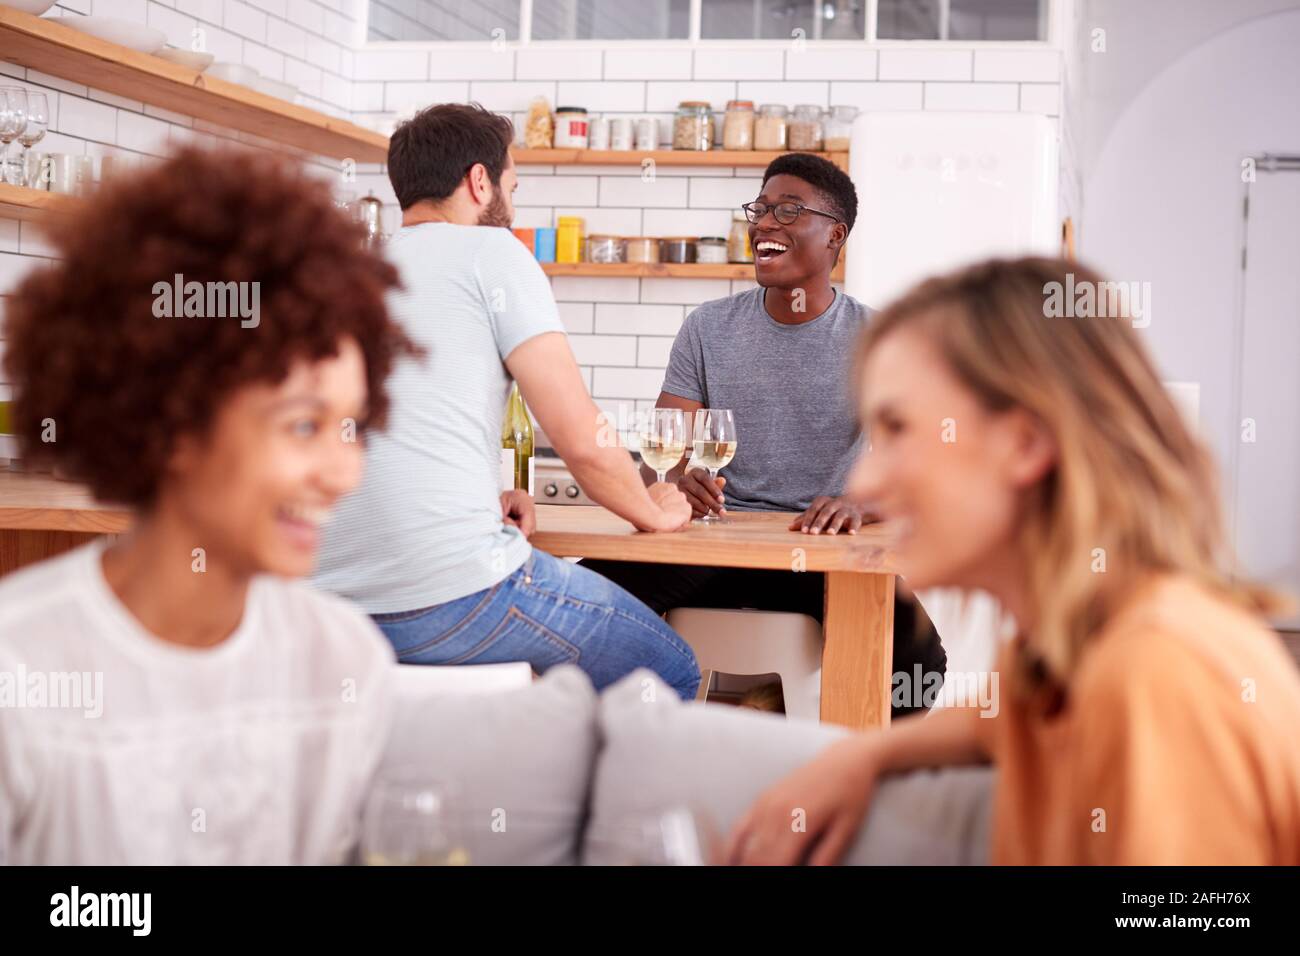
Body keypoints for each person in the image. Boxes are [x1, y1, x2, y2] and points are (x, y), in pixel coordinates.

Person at [726, 256, 1300, 865]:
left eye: (898, 429)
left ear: (1025, 444)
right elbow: (993, 721)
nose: (864, 479)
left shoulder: (1156, 673)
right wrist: (860, 755)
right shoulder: (1063, 650)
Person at [0, 147, 417, 864]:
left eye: (351, 427)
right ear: (175, 425)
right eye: (303, 425)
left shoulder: (344, 662)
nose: (343, 473)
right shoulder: (23, 664)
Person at [311, 103, 699, 699]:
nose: (511, 206)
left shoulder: (348, 273)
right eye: (511, 186)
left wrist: (474, 500)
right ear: (479, 180)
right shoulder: (493, 253)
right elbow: (579, 437)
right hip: (452, 594)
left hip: (330, 608)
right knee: (668, 667)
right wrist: (653, 510)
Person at [583, 153, 945, 714]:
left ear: (835, 236)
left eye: (788, 210)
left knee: (922, 663)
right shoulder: (708, 327)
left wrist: (862, 504)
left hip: (820, 554)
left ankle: (855, 776)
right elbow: (663, 453)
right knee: (577, 607)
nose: (764, 224)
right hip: (715, 544)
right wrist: (683, 480)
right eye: (761, 208)